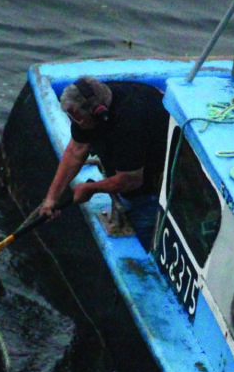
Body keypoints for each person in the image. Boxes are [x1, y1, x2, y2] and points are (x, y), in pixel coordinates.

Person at [38, 76, 168, 249]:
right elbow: (75, 151)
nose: (74, 123)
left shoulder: (129, 125)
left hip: (153, 185)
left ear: (98, 113)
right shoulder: (88, 105)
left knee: (149, 235)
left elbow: (131, 180)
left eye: (77, 119)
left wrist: (90, 188)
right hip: (127, 164)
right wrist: (52, 198)